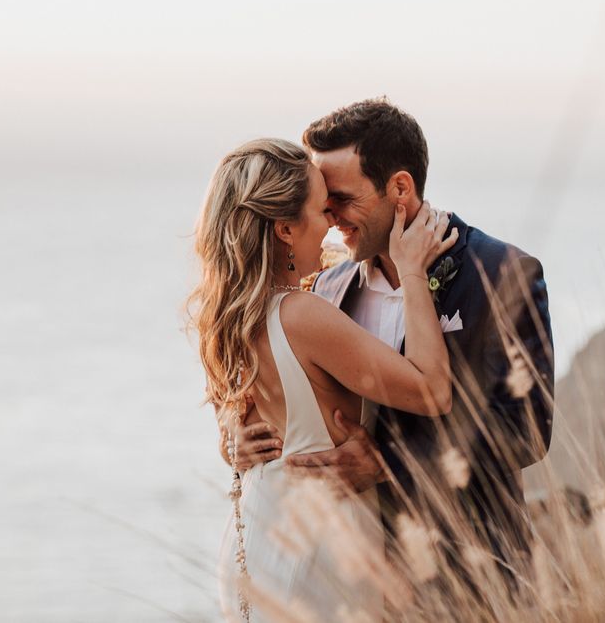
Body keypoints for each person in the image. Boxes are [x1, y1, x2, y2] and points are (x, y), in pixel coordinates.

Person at [235, 99, 555, 588]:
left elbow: (527, 430)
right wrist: (246, 443)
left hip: (468, 576)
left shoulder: (502, 274)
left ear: (399, 188)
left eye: (339, 197)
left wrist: (388, 463)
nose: (327, 213)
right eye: (321, 199)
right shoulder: (324, 288)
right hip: (350, 577)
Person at [186, 138, 458, 622]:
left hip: (257, 536)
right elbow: (432, 391)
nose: (332, 224)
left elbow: (240, 427)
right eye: (320, 211)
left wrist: (230, 443)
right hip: (317, 550)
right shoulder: (302, 315)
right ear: (285, 229)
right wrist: (413, 271)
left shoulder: (230, 319)